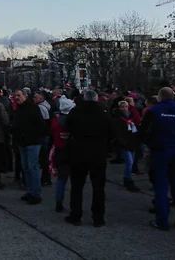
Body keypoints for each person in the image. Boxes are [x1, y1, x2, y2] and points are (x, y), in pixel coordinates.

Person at [141, 87, 175, 231]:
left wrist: (152, 144)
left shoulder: (154, 111)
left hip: (160, 153)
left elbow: (143, 131)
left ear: (159, 97)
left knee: (161, 187)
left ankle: (162, 220)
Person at [64, 90, 113, 227]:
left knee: (77, 186)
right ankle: (98, 217)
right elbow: (111, 130)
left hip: (79, 152)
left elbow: (68, 126)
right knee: (98, 187)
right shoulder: (103, 113)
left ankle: (76, 215)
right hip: (98, 153)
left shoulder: (76, 111)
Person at [12, 88, 46, 205]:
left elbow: (41, 125)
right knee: (25, 167)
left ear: (25, 96)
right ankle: (30, 191)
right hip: (22, 142)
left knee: (32, 167)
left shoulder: (32, 108)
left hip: (32, 142)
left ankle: (36, 193)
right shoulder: (18, 109)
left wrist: (33, 136)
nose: (17, 98)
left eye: (19, 95)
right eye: (15, 96)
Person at [51, 94, 75, 212]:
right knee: (75, 180)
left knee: (61, 179)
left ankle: (58, 202)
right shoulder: (74, 122)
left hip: (60, 151)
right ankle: (74, 204)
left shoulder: (56, 122)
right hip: (72, 151)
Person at [113, 101, 141, 192]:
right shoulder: (118, 118)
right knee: (129, 162)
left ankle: (127, 177)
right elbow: (117, 131)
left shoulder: (131, 117)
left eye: (125, 106)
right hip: (124, 143)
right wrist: (121, 141)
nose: (124, 108)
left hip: (132, 142)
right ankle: (129, 179)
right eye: (122, 106)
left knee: (131, 162)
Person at [33, 91, 52, 186]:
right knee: (44, 158)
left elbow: (43, 123)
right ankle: (46, 178)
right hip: (45, 135)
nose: (33, 99)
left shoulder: (40, 108)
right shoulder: (45, 106)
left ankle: (45, 178)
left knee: (43, 158)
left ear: (40, 99)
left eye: (35, 97)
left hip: (42, 136)